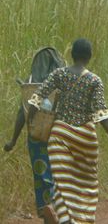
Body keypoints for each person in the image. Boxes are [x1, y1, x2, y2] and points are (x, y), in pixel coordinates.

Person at [27, 38, 108, 224]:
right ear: (89, 57)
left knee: (61, 183)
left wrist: (31, 119)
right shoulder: (95, 80)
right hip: (85, 140)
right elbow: (101, 112)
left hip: (60, 135)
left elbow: (38, 96)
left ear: (72, 55)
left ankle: (62, 216)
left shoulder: (59, 74)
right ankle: (79, 219)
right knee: (86, 185)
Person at [4, 47, 65, 220]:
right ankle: (60, 210)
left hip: (36, 138)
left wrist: (13, 141)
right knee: (60, 175)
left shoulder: (30, 84)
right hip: (59, 137)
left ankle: (47, 211)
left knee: (42, 176)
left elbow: (21, 114)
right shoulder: (64, 82)